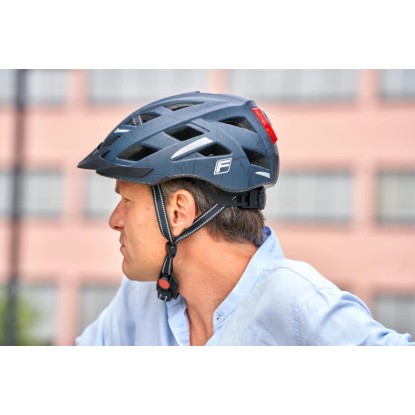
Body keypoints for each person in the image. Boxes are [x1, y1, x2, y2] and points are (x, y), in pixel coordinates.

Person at [76, 91, 414, 346]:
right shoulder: (140, 299)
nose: (114, 220)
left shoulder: (297, 303)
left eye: (126, 201)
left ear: (179, 212)